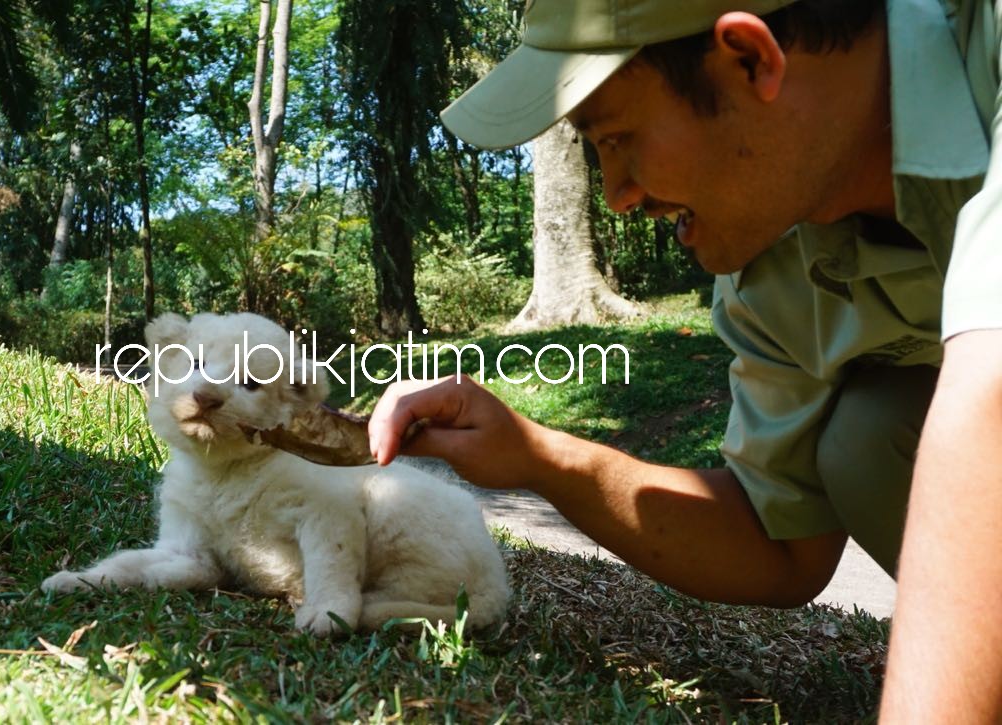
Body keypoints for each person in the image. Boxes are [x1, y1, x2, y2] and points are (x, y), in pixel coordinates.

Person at [363, 0, 1002, 719]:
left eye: (617, 137)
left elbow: (990, 392)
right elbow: (777, 542)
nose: (618, 196)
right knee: (867, 438)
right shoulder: (775, 261)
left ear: (750, 60)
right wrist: (533, 454)